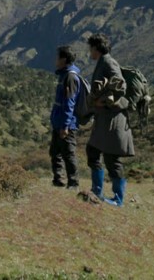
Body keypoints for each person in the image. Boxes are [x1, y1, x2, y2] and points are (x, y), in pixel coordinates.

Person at [81, 33, 135, 206]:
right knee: (93, 151)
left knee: (111, 159)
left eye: (90, 48)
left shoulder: (108, 62)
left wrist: (101, 101)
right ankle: (97, 191)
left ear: (96, 48)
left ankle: (118, 200)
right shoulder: (103, 61)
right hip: (106, 119)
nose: (89, 51)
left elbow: (120, 85)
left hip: (113, 120)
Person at [50, 46, 82, 188]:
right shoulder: (65, 75)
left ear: (63, 59)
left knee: (68, 154)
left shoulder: (70, 77)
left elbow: (70, 103)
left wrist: (65, 126)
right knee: (55, 152)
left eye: (57, 57)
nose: (55, 60)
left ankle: (73, 183)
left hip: (66, 124)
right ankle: (59, 180)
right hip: (59, 121)